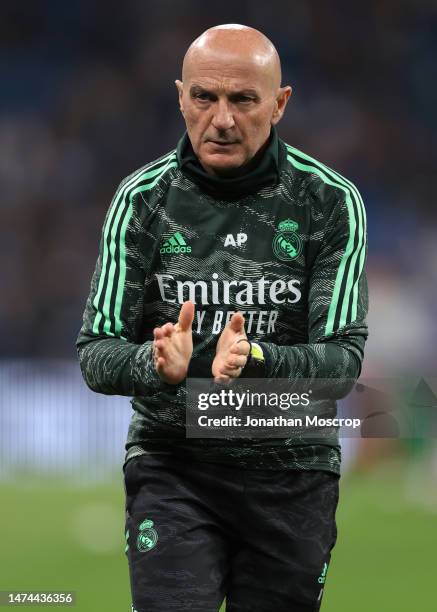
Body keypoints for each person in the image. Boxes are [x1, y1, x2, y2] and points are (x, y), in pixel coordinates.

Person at [77, 23, 368, 612]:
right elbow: (94, 350)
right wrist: (155, 362)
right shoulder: (142, 201)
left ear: (280, 104)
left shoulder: (330, 202)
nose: (223, 119)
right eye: (205, 97)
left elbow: (342, 363)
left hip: (293, 471)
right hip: (174, 466)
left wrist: (259, 359)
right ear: (180, 96)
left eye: (243, 99)